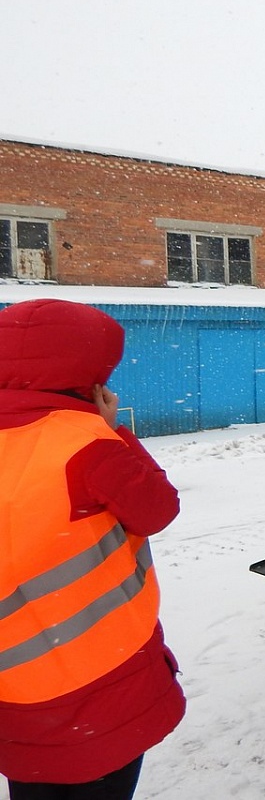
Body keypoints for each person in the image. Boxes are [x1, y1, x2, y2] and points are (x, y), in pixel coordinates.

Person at [0, 299, 186, 800]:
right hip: (98, 685)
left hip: (12, 697)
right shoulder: (87, 443)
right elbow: (157, 509)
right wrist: (113, 429)